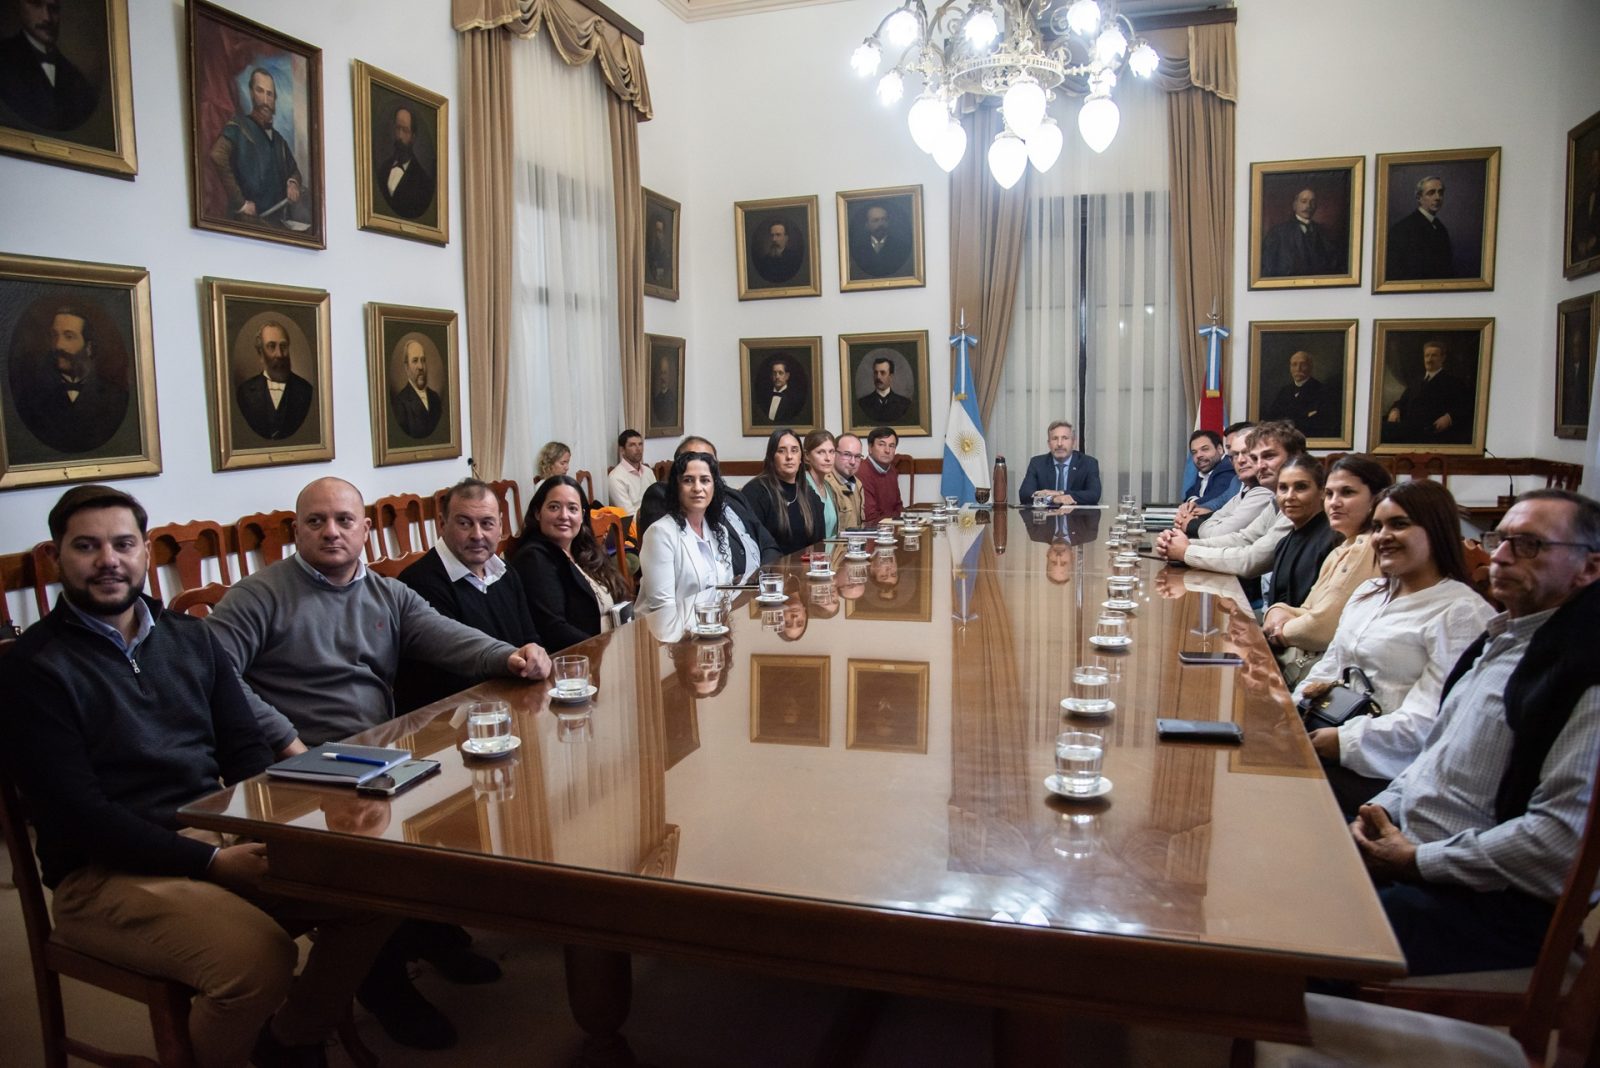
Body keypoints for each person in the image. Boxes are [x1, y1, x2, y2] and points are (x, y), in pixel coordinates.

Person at [0, 484, 395, 1068]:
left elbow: (244, 752)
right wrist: (209, 861)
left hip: (212, 832)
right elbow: (78, 816)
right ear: (57, 558)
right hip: (103, 873)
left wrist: (267, 831)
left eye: (123, 544)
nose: (108, 560)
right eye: (87, 546)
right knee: (257, 960)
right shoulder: (35, 669)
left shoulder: (189, 638)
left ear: (144, 551)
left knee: (379, 888)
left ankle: (290, 1039)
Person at [1349, 489, 1600, 977]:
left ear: (1589, 567)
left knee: (1289, 932)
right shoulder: (1506, 637)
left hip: (1487, 905)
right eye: (1498, 539)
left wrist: (1417, 859)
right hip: (1416, 854)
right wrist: (1379, 812)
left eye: (1528, 545)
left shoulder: (1584, 669)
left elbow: (1559, 843)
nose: (1500, 556)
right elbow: (1432, 758)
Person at [206, 476, 551, 757]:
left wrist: (510, 656)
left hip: (380, 749)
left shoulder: (388, 593)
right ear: (297, 531)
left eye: (344, 520)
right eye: (316, 521)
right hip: (302, 758)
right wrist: (286, 742)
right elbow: (212, 672)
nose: (331, 531)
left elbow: (449, 637)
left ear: (365, 528)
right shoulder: (257, 596)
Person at [1296, 479, 1495, 818]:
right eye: (1377, 527)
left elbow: (1429, 720)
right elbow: (1330, 666)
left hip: (1390, 769)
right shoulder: (1369, 592)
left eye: (1399, 524)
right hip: (1330, 730)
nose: (1383, 536)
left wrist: (1342, 742)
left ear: (1436, 530)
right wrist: (1292, 709)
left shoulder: (1460, 612)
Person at [395, 478, 541, 711]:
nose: (477, 535)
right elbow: (451, 677)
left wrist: (536, 658)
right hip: (450, 717)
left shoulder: (506, 572)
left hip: (511, 703)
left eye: (487, 523)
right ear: (442, 524)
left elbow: (530, 638)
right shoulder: (419, 583)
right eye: (464, 524)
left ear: (500, 525)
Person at [1262, 455, 1392, 684]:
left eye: (1347, 493)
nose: (1334, 502)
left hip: (1329, 676)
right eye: (1330, 494)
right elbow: (1308, 609)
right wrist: (1277, 609)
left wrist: (1278, 631)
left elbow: (1322, 628)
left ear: (1376, 498)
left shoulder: (1366, 547)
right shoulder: (1343, 547)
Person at [1157, 421, 1304, 606]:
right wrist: (1180, 545)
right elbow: (1244, 538)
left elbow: (1251, 560)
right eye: (1255, 457)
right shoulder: (1276, 500)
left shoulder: (1296, 502)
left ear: (1296, 457)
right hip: (1274, 607)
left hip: (1283, 611)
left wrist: (1186, 551)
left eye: (1268, 456)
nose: (1259, 465)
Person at [509, 475, 631, 652]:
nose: (564, 516)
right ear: (537, 513)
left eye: (572, 508)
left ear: (582, 516)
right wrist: (603, 649)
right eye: (554, 507)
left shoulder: (583, 550)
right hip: (580, 658)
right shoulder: (534, 559)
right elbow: (553, 630)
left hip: (613, 647)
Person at [637, 450, 760, 615]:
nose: (697, 488)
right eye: (688, 480)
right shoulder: (659, 533)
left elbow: (725, 592)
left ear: (714, 487)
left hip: (711, 624)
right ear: (677, 487)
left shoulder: (719, 531)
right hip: (668, 628)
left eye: (705, 480)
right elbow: (662, 609)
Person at [636, 434, 779, 567]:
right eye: (692, 459)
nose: (701, 465)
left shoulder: (734, 496)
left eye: (708, 461)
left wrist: (764, 574)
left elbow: (769, 544)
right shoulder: (663, 494)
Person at [13, 304, 129, 454]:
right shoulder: (30, 396)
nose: (58, 345)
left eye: (69, 337)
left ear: (89, 348)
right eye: (54, 335)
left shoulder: (116, 396)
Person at [208, 67, 306, 227]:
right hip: (249, 223)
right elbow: (217, 155)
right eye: (260, 91)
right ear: (252, 93)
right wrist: (241, 203)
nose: (265, 100)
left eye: (270, 94)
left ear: (275, 99)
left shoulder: (279, 141)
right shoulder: (239, 127)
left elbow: (294, 170)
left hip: (277, 223)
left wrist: (293, 182)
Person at [0, 0, 98, 131]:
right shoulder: (4, 58)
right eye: (36, 4)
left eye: (54, 8)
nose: (47, 18)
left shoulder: (76, 79)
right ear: (18, 7)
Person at [1261, 454, 1338, 614]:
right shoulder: (1283, 543)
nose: (1289, 496)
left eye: (1301, 487)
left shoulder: (1333, 542)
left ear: (1322, 492)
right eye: (1283, 488)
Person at [1174, 423, 1270, 537]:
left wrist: (1191, 524)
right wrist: (1193, 507)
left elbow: (1224, 532)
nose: (1240, 460)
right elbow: (1219, 506)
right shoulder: (1239, 483)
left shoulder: (1265, 491)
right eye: (1234, 454)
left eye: (1247, 452)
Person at [744, 427, 826, 557]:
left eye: (794, 450)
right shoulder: (755, 492)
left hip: (806, 567)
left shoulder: (809, 494)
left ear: (801, 457)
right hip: (770, 568)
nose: (789, 456)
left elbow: (819, 545)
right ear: (772, 457)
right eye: (781, 451)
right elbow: (751, 545)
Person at [1383, 339, 1473, 445]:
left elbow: (1464, 407)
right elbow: (1402, 401)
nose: (1429, 359)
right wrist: (1395, 410)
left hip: (1431, 433)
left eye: (1434, 355)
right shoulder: (1416, 381)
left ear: (1443, 358)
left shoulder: (1453, 382)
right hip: (1407, 428)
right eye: (1427, 356)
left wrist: (1449, 418)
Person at [235, 319, 314, 441]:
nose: (280, 354)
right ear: (260, 353)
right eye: (271, 346)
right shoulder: (244, 392)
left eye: (283, 346)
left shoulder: (306, 390)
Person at [1018, 421, 1102, 506]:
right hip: (1047, 514)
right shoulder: (1037, 463)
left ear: (1073, 442)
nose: (1059, 444)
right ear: (1049, 443)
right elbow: (1025, 495)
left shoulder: (1088, 463)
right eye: (1055, 439)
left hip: (1078, 514)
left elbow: (1094, 495)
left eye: (1065, 438)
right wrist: (1052, 499)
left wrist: (1060, 493)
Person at [1261, 186, 1341, 277]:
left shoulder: (1323, 232)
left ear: (1316, 206)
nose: (1308, 206)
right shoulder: (1278, 233)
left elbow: (1334, 264)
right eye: (1303, 201)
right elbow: (1268, 267)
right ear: (1295, 205)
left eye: (1312, 202)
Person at [1386, 175, 1454, 280]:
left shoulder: (1440, 227)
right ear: (1419, 198)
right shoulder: (1403, 229)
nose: (1437, 197)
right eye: (1431, 193)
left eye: (1440, 192)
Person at [376, 104, 435, 220]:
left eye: (405, 130)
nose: (400, 136)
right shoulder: (383, 169)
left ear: (413, 137)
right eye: (397, 128)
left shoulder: (423, 182)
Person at [1262, 351, 1335, 438]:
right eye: (1294, 364)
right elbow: (1271, 418)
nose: (1298, 369)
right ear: (1290, 368)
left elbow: (1324, 423)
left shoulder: (1322, 391)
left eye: (1303, 364)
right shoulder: (1284, 391)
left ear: (1310, 367)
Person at [390, 338, 443, 439]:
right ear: (406, 367)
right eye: (415, 361)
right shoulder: (400, 404)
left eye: (423, 360)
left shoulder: (435, 398)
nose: (421, 366)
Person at [848, 202, 911, 278]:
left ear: (888, 222)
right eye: (875, 220)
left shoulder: (901, 246)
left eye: (884, 219)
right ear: (867, 225)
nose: (881, 224)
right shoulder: (858, 249)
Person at [1180, 429, 1236, 512]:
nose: (1198, 455)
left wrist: (1192, 504)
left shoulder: (1228, 469)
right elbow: (1190, 493)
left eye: (1205, 449)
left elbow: (1213, 498)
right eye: (1194, 452)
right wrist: (1192, 500)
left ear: (1220, 449)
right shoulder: (1206, 468)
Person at [858, 426, 904, 524]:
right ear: (870, 448)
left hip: (890, 527)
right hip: (873, 530)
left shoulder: (892, 470)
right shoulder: (862, 472)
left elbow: (899, 507)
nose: (887, 450)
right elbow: (870, 517)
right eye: (881, 444)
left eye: (891, 446)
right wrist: (896, 519)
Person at [801, 429, 842, 538]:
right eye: (820, 452)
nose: (828, 458)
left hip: (831, 547)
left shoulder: (828, 487)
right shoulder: (802, 486)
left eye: (831, 451)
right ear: (806, 456)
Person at [607, 428, 655, 516]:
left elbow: (658, 500)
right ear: (622, 450)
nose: (638, 449)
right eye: (632, 445)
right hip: (634, 522)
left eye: (640, 444)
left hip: (655, 518)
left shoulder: (648, 472)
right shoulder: (615, 478)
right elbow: (628, 515)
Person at [856, 356, 913, 424]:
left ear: (891, 377)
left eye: (882, 373)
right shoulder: (863, 403)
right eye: (876, 373)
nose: (878, 377)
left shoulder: (904, 404)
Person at [828, 432, 866, 531]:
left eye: (857, 456)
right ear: (834, 454)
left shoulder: (858, 484)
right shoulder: (826, 484)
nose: (852, 462)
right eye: (847, 455)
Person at [753, 354, 806, 425]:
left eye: (780, 373)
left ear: (787, 376)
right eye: (774, 373)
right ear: (771, 376)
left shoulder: (794, 399)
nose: (777, 377)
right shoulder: (765, 397)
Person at [751, 219, 804, 285]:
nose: (774, 239)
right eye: (772, 235)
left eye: (778, 235)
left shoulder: (794, 258)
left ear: (786, 238)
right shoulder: (765, 260)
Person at [650, 352, 678, 428]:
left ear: (670, 375)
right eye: (661, 373)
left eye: (665, 373)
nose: (662, 377)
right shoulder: (656, 398)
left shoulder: (673, 398)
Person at [646, 216, 671, 287]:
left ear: (663, 234)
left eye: (659, 231)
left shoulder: (666, 256)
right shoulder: (648, 254)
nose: (657, 235)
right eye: (655, 231)